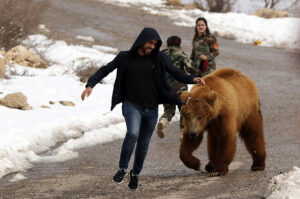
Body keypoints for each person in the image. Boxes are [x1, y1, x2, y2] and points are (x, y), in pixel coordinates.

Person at [81, 27, 205, 190]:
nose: (152, 46)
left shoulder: (160, 58)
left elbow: (175, 73)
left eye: (155, 44)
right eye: (150, 42)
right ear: (142, 40)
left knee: (144, 143)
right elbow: (106, 69)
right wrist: (90, 84)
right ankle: (123, 168)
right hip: (131, 104)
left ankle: (136, 173)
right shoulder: (125, 57)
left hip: (151, 108)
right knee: (132, 133)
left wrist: (192, 79)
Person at [156, 35, 195, 138]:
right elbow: (191, 68)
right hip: (180, 88)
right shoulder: (182, 54)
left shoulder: (161, 54)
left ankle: (163, 122)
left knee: (169, 109)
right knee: (184, 109)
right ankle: (183, 132)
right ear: (179, 44)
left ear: (168, 44)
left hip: (165, 87)